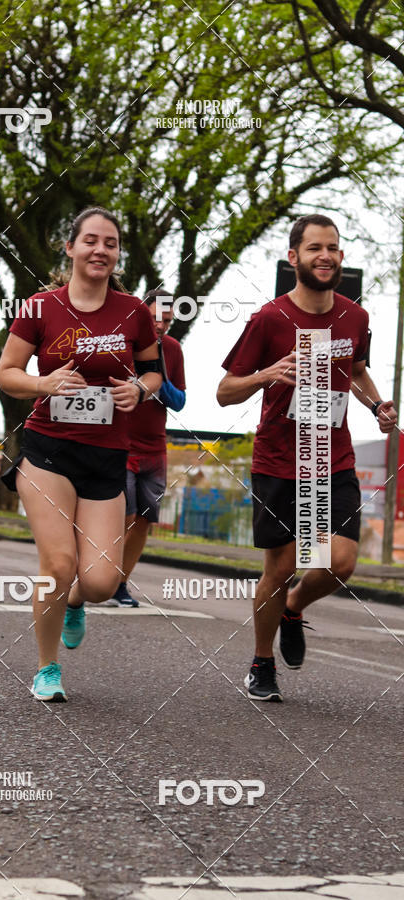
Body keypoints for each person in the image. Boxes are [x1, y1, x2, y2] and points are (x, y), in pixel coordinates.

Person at [217, 214, 397, 702]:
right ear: (293, 257)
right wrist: (266, 374)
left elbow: (356, 371)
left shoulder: (355, 318)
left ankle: (293, 607)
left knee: (339, 561)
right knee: (279, 566)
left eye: (333, 248)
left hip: (331, 460)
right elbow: (224, 392)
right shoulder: (269, 319)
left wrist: (377, 405)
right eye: (315, 248)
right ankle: (261, 661)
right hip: (279, 459)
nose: (326, 256)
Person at [0, 207, 162, 702]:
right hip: (48, 453)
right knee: (59, 563)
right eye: (90, 240)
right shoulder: (40, 307)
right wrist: (42, 383)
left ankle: (74, 603)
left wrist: (141, 388)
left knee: (102, 582)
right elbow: (7, 372)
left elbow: (154, 374)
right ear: (69, 248)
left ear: (117, 254)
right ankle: (47, 668)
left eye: (110, 243)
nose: (100, 250)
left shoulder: (134, 312)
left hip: (107, 457)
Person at [108, 289, 186, 606]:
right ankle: (95, 575)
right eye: (156, 318)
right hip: (120, 444)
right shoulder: (120, 343)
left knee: (143, 520)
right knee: (120, 518)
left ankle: (120, 585)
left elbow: (179, 402)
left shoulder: (173, 349)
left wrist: (160, 373)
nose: (161, 326)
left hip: (154, 449)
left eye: (167, 320)